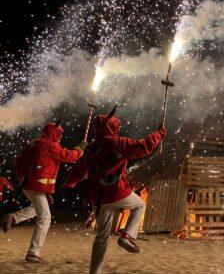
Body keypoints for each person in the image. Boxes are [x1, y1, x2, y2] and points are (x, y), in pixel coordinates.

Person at [63, 107, 166, 274]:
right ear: (112, 127)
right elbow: (145, 146)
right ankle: (127, 236)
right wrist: (159, 134)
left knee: (101, 237)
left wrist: (69, 182)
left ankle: (95, 272)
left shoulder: (90, 149)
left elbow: (79, 170)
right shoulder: (119, 143)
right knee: (139, 205)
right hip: (117, 192)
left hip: (98, 197)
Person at [1, 120, 83, 263]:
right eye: (59, 135)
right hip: (35, 185)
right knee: (45, 217)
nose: (60, 138)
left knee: (38, 210)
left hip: (29, 183)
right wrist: (81, 149)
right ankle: (33, 253)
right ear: (54, 134)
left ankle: (13, 218)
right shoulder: (48, 145)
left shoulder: (38, 143)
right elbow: (69, 156)